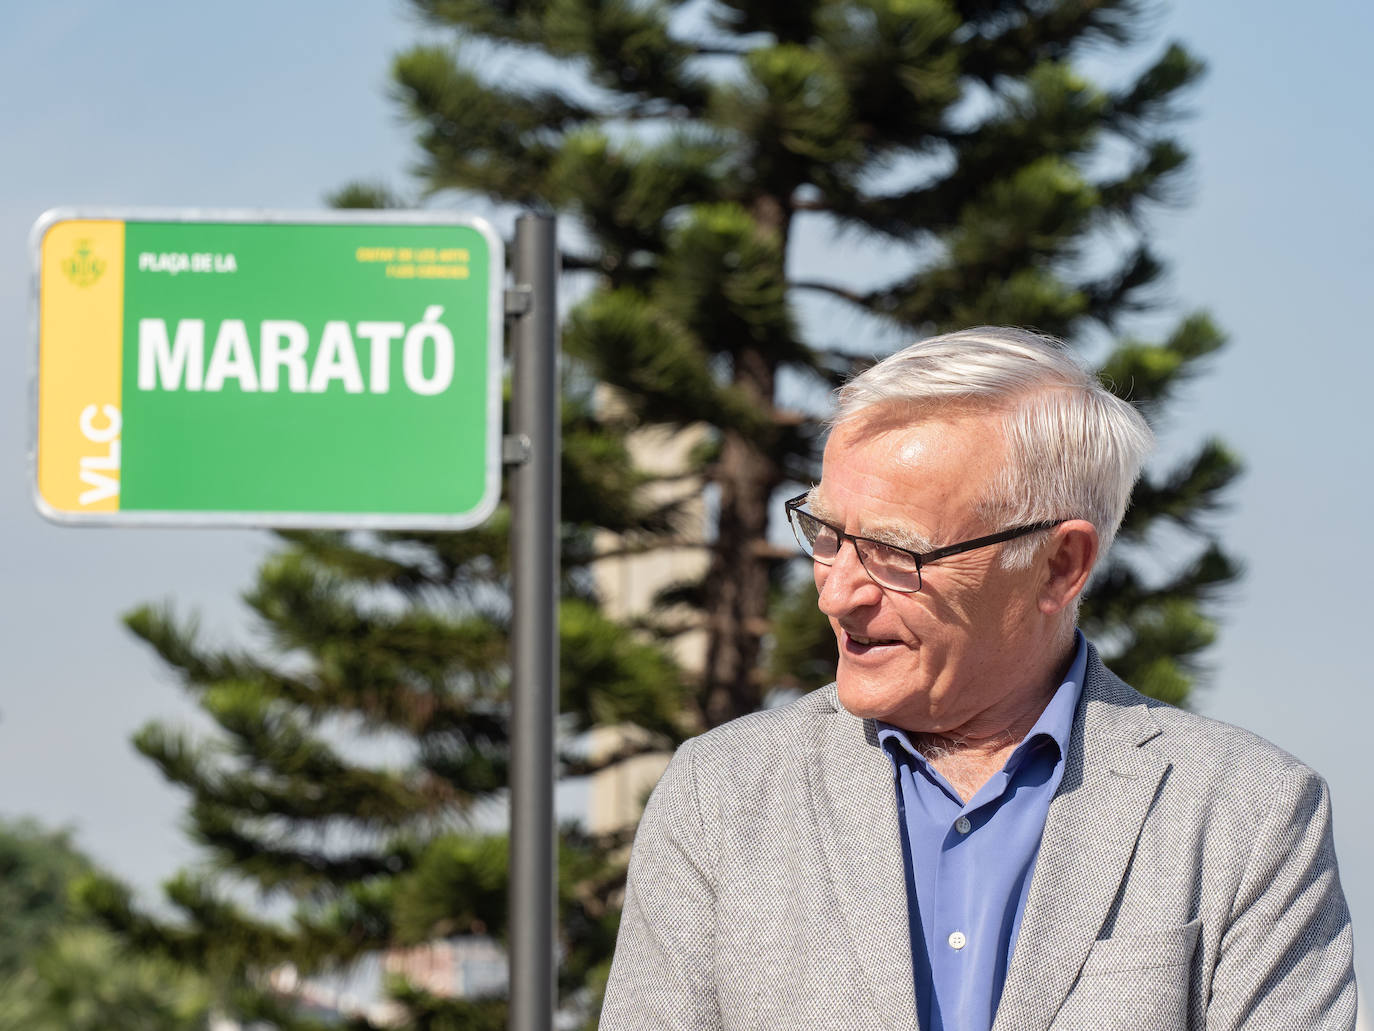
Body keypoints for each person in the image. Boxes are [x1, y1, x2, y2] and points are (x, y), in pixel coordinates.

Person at [599, 326, 1356, 1030]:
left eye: (897, 552)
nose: (836, 592)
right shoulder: (721, 798)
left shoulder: (1247, 814)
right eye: (827, 535)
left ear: (1060, 564)